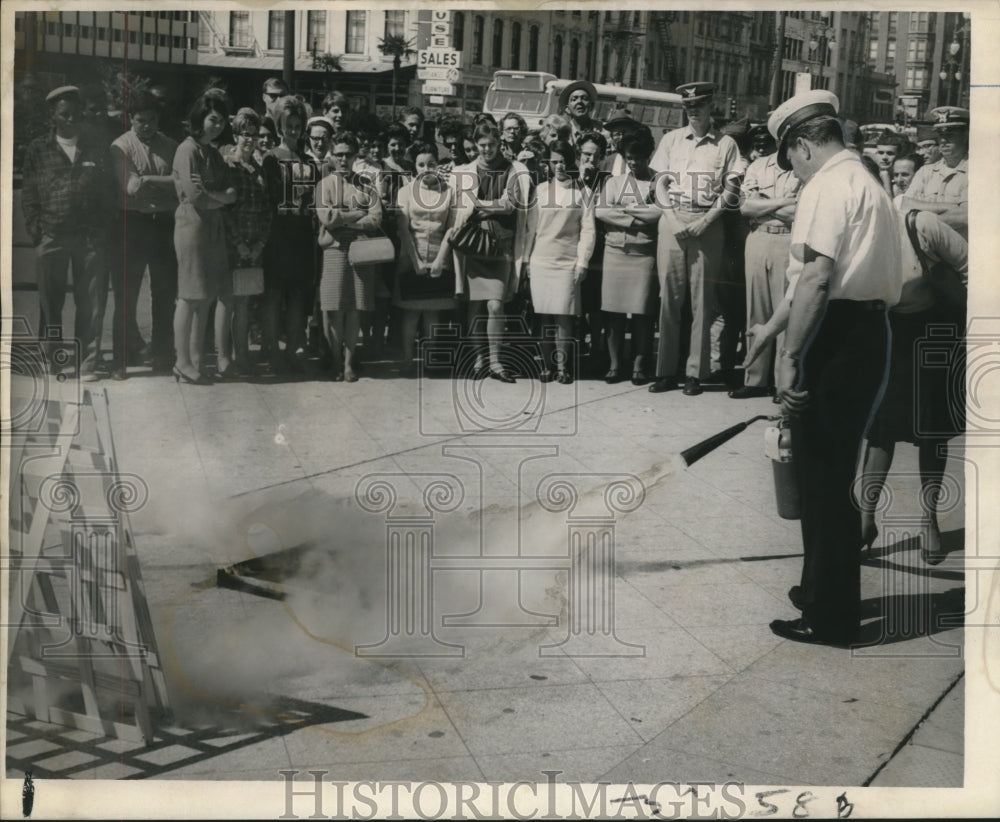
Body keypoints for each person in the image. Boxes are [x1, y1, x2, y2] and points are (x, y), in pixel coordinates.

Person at [745, 90, 902, 646]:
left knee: (824, 480)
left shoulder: (828, 186)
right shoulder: (864, 181)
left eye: (790, 157)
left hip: (836, 337)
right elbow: (817, 278)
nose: (791, 168)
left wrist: (789, 358)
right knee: (826, 474)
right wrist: (770, 329)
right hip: (863, 331)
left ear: (805, 143)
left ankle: (830, 616)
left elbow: (815, 277)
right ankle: (820, 588)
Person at [859, 209, 967, 566]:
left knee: (931, 430)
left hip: (935, 331)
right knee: (880, 429)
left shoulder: (920, 224)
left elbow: (972, 267)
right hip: (887, 332)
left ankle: (929, 519)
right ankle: (864, 520)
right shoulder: (854, 228)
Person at [649, 81, 741, 396]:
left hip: (707, 225)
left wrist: (706, 220)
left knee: (702, 302)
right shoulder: (671, 141)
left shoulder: (726, 144)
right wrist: (672, 219)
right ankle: (665, 372)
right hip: (672, 221)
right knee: (669, 300)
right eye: (688, 106)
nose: (693, 111)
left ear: (710, 106)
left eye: (698, 105)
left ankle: (695, 374)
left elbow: (730, 190)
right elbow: (658, 185)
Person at [21, 85, 114, 380]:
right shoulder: (38, 148)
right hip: (52, 234)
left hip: (89, 237)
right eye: (65, 114)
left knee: (91, 301)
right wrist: (37, 229)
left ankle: (87, 361)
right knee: (51, 302)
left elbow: (107, 191)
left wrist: (101, 229)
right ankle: (53, 359)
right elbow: (29, 193)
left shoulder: (96, 148)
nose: (72, 119)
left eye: (77, 113)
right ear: (54, 115)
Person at [451, 122, 532, 382]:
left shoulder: (513, 169)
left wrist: (481, 207)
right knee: (474, 306)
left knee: (496, 305)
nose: (487, 149)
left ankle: (496, 361)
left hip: (501, 245)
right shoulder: (464, 171)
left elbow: (510, 204)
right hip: (473, 246)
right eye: (482, 145)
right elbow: (461, 206)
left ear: (500, 143)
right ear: (475, 145)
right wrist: (492, 206)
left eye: (492, 144)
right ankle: (478, 359)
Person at [108, 89, 179, 378]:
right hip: (132, 224)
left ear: (158, 118)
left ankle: (163, 356)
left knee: (164, 294)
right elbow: (130, 188)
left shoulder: (171, 145)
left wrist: (148, 178)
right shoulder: (119, 147)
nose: (146, 125)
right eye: (140, 120)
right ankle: (120, 361)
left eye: (151, 119)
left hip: (164, 224)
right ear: (130, 119)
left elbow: (181, 184)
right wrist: (164, 182)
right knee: (127, 295)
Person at [171, 93, 237, 385]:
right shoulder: (187, 151)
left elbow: (233, 192)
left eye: (222, 121)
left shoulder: (211, 153)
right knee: (189, 296)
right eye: (213, 119)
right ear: (199, 119)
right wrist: (216, 196)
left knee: (207, 295)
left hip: (212, 227)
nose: (218, 125)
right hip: (192, 227)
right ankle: (181, 361)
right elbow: (196, 197)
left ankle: (197, 360)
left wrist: (213, 195)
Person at [731, 124, 799, 399]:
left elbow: (800, 211)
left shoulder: (799, 165)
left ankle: (781, 381)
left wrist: (766, 203)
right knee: (756, 309)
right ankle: (754, 377)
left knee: (785, 310)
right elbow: (745, 206)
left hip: (787, 239)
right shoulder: (758, 166)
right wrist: (783, 202)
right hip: (758, 238)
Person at [315, 131, 384, 382]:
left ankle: (348, 362)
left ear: (356, 156)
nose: (343, 159)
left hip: (361, 249)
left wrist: (346, 219)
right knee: (334, 307)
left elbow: (376, 219)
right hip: (333, 250)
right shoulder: (324, 185)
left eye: (348, 154)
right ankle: (334, 359)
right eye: (339, 154)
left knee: (355, 307)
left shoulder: (367, 185)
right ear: (332, 156)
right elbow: (328, 218)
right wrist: (357, 213)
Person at [525, 140, 595, 384]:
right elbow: (530, 229)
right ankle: (545, 366)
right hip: (540, 260)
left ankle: (563, 368)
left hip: (567, 262)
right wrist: (525, 261)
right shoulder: (540, 190)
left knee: (564, 315)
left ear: (572, 161)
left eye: (563, 160)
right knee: (543, 316)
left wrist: (582, 262)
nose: (559, 166)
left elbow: (588, 230)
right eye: (554, 161)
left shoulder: (583, 191)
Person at [595, 131, 661, 385]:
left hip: (644, 253)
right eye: (629, 158)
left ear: (649, 156)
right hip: (615, 252)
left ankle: (639, 364)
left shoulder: (659, 182)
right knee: (614, 311)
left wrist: (623, 209)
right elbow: (601, 211)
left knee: (643, 312)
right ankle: (614, 363)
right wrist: (636, 219)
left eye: (639, 158)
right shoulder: (614, 182)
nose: (634, 163)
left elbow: (659, 214)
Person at [261, 95, 316, 374]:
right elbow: (267, 199)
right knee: (273, 296)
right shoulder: (270, 158)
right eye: (288, 125)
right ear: (280, 126)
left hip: (302, 236)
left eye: (297, 125)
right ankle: (271, 349)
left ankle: (295, 348)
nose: (293, 130)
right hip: (277, 235)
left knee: (297, 296)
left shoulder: (310, 160)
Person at [394, 141, 457, 376]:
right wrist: (416, 261)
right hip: (411, 254)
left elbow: (451, 227)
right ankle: (407, 360)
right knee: (411, 311)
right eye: (421, 164)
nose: (426, 168)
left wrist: (441, 259)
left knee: (433, 312)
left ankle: (429, 361)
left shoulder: (449, 191)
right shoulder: (405, 191)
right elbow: (404, 229)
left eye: (431, 163)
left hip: (440, 253)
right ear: (415, 167)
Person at [221, 107, 272, 378]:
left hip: (255, 246)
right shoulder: (229, 166)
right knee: (233, 304)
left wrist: (260, 244)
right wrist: (240, 243)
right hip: (234, 245)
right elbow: (227, 212)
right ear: (236, 135)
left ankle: (243, 356)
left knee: (247, 304)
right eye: (245, 134)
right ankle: (230, 358)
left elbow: (267, 210)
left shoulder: (259, 168)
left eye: (254, 134)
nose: (250, 139)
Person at [900, 107, 968, 239]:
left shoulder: (975, 172)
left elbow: (965, 216)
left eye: (950, 135)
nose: (943, 141)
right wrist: (952, 207)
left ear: (965, 136)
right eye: (941, 135)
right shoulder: (926, 171)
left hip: (960, 246)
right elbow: (906, 204)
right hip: (925, 243)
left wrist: (923, 222)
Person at [578, 131, 612, 375]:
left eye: (596, 156)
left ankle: (597, 349)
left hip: (600, 247)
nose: (590, 160)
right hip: (573, 246)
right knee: (576, 299)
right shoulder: (569, 178)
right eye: (586, 155)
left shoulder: (608, 180)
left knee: (596, 304)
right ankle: (576, 346)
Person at [601, 109, 641, 176]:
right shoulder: (606, 162)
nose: (622, 138)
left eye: (625, 133)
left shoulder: (643, 161)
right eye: (617, 134)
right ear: (612, 137)